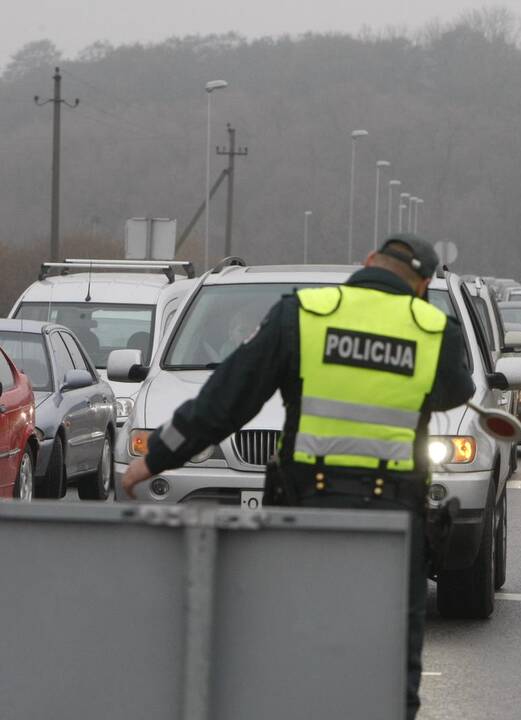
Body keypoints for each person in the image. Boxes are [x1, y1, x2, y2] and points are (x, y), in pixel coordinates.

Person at [121, 234, 475, 719]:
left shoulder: (303, 314)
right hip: (394, 520)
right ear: (424, 285)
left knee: (292, 644)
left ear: (367, 262)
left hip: (305, 512)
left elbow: (228, 399)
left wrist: (155, 457)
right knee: (392, 659)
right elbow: (454, 391)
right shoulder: (436, 329)